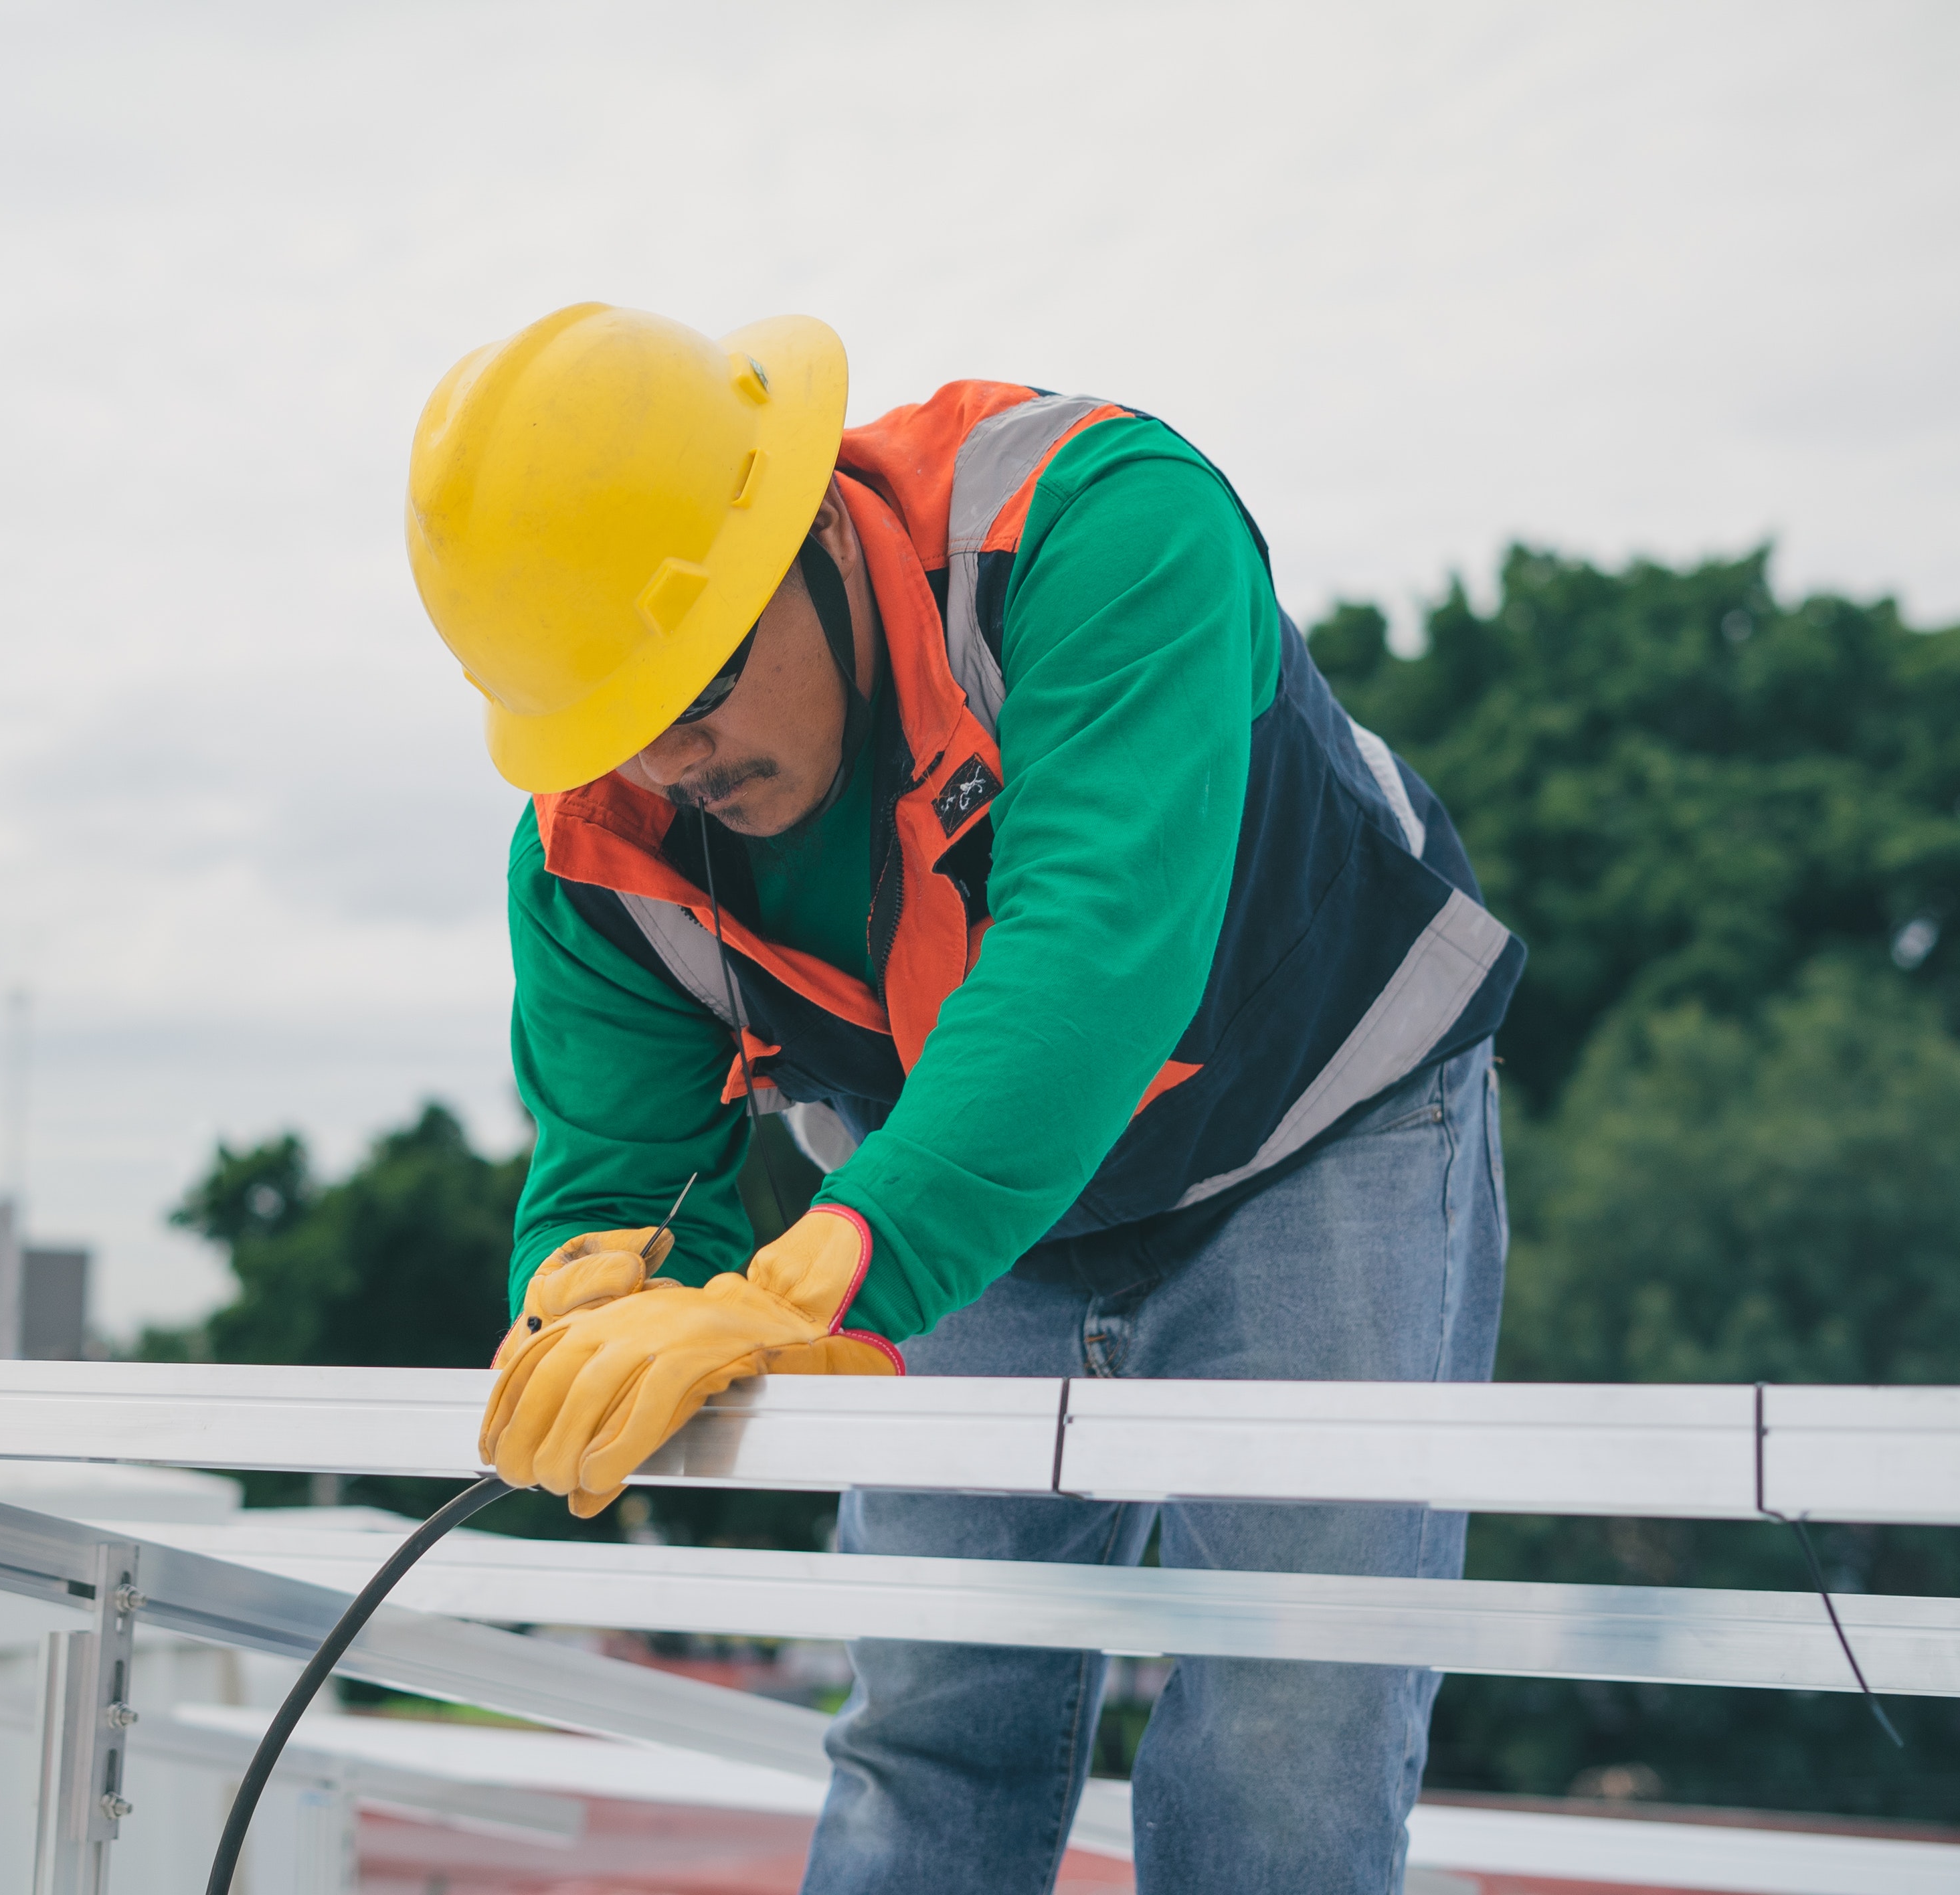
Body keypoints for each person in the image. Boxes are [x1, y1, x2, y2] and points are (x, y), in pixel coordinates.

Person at [405, 302, 1520, 1894]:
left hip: (1310, 1128)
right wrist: (588, 1295)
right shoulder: (600, 847)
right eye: (618, 718)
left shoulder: (1099, 528)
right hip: (948, 1201)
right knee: (933, 1713)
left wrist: (818, 1277)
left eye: (700, 683)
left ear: (805, 535)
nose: (673, 755)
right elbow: (617, 1179)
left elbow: (1086, 969)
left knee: (1292, 1728)